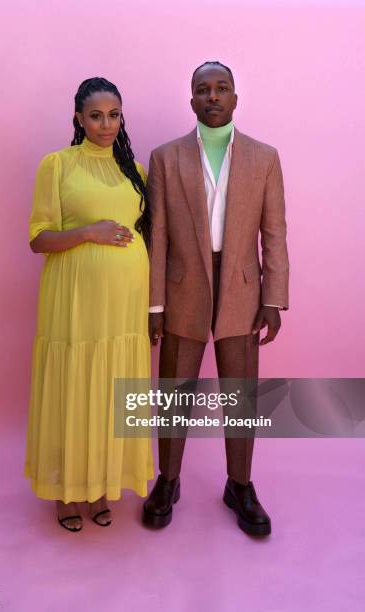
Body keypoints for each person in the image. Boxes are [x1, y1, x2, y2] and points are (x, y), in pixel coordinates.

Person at [142, 61, 289, 535]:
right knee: (174, 391)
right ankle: (168, 480)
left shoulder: (264, 157)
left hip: (243, 287)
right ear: (191, 101)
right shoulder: (166, 157)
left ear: (235, 98)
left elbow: (274, 233)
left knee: (241, 393)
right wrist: (155, 303)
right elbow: (157, 233)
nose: (213, 96)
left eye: (221, 88)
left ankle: (240, 485)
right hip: (185, 282)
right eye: (203, 89)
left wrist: (274, 296)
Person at [24, 77, 154, 532]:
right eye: (96, 115)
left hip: (124, 308)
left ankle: (100, 485)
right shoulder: (57, 165)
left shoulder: (135, 169)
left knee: (111, 389)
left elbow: (152, 235)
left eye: (114, 114)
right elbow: (39, 239)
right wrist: (87, 232)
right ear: (78, 118)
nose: (106, 124)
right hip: (75, 303)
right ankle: (64, 490)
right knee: (73, 387)